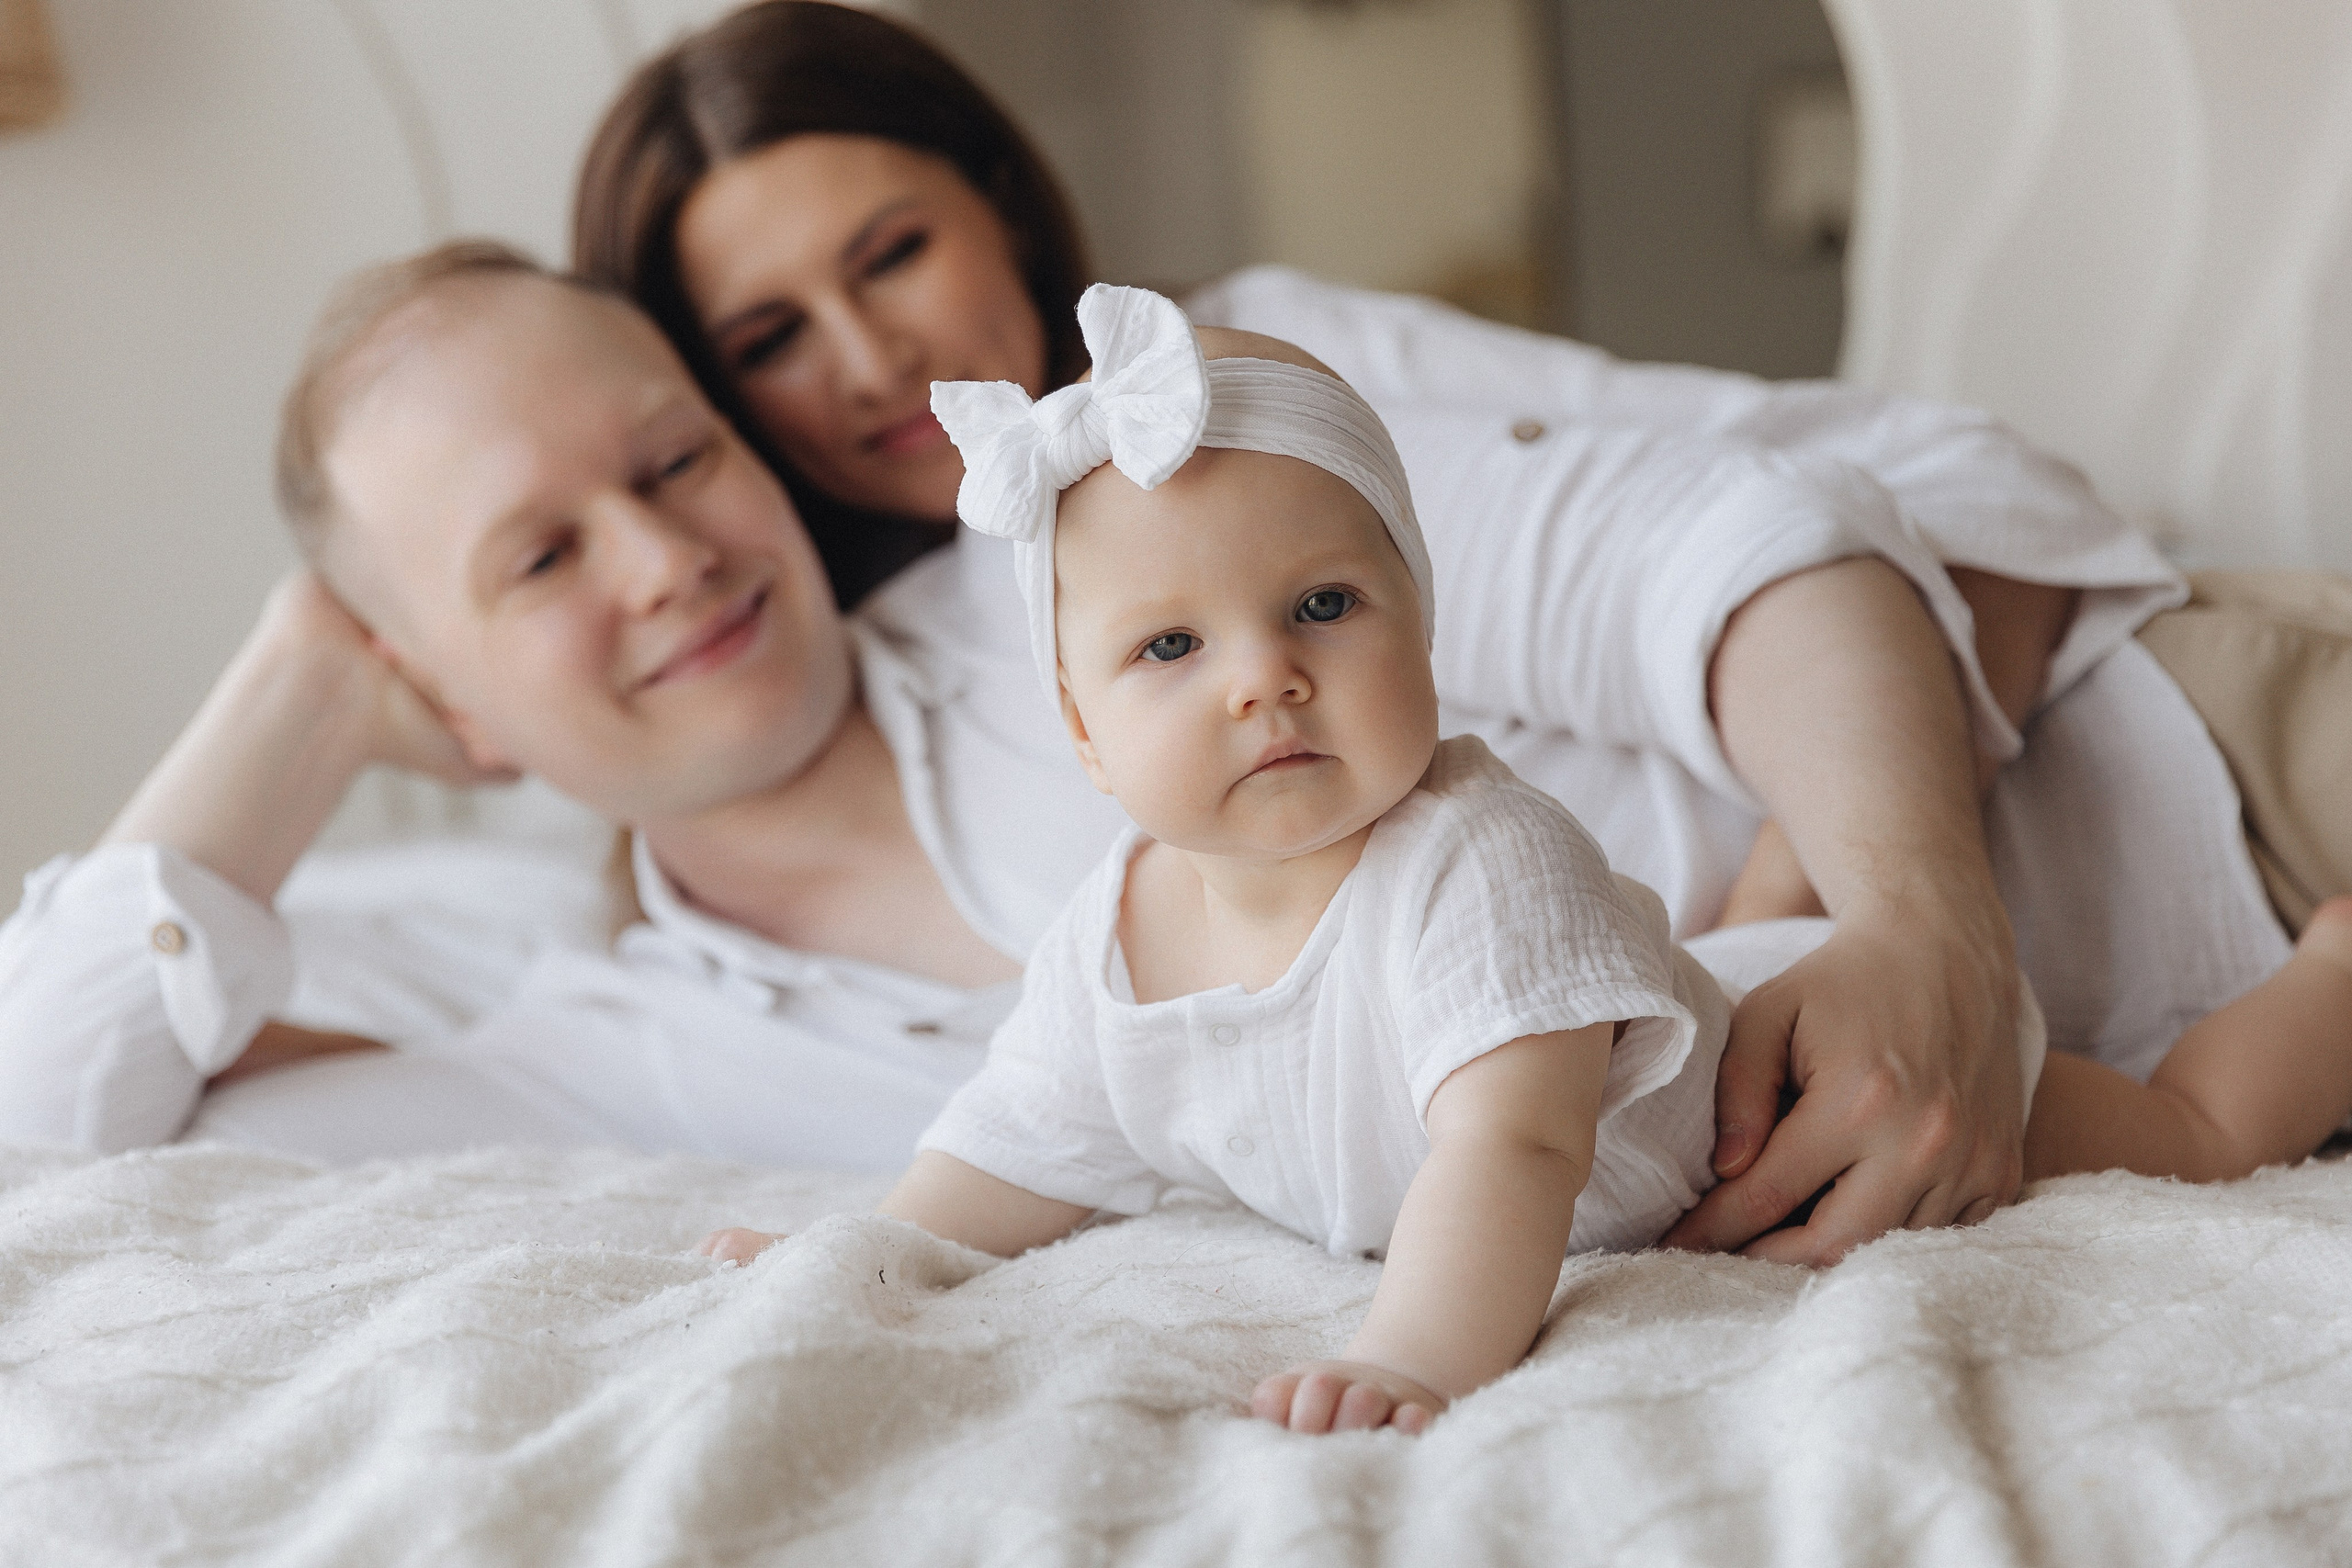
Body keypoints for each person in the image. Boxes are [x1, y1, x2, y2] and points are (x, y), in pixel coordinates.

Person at [0, 5, 2283, 1269]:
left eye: (677, 457)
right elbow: (42, 1138)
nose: (661, 556)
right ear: (439, 700)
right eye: (530, 561)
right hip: (2154, 1077)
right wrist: (299, 688)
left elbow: (1730, 526)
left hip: (2167, 758)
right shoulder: (606, 1041)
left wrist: (1908, 915)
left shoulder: (1118, 545)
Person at [699, 288, 2352, 1436]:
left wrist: (1414, 1355)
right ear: (1078, 730)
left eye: (1326, 609)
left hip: (1792, 1084)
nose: (1262, 676)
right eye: (1170, 648)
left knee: (2179, 1136)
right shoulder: (1108, 942)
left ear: (1429, 634)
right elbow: (1015, 1144)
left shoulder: (1467, 864)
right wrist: (866, 1249)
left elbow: (1506, 1154)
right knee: (1718, 946)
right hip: (1721, 1011)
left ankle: (2332, 970)